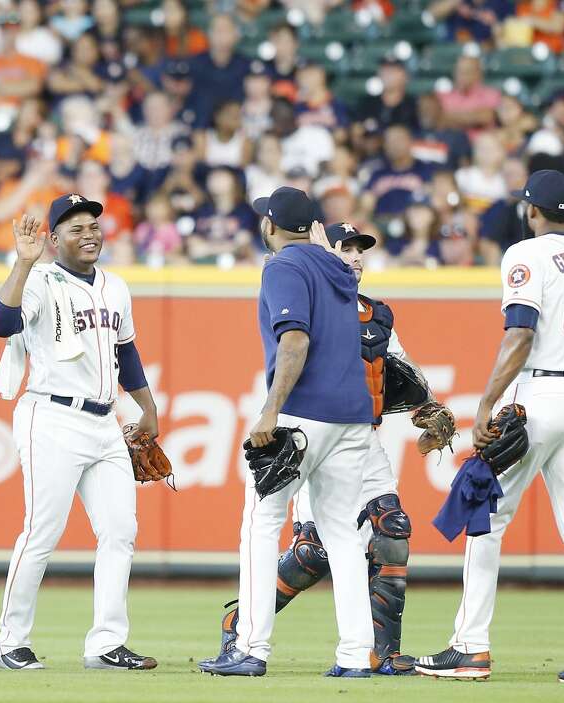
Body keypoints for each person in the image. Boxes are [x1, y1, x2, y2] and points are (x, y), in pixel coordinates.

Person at [213, 222, 446, 675]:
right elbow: (291, 342)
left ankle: (378, 652)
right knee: (314, 550)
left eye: (362, 249)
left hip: (359, 436)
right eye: (346, 248)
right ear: (324, 249)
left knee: (391, 531)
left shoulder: (377, 314)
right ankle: (243, 624)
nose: (356, 257)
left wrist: (429, 408)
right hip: (313, 426)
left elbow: (405, 372)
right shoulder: (316, 296)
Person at [416, 169, 564, 684]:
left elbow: (521, 333)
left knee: (486, 517)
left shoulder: (526, 254)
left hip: (541, 390)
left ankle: (470, 647)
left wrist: (487, 403)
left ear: (531, 210)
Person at [199, 188, 375, 677]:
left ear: (269, 225)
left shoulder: (283, 266)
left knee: (260, 522)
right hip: (352, 416)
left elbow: (294, 340)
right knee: (342, 533)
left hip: (303, 412)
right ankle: (357, 655)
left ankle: (250, 648)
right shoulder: (336, 267)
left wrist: (270, 411)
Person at [0, 194, 161, 671]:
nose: (89, 235)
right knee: (42, 532)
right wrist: (23, 265)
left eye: (93, 227)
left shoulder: (115, 286)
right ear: (53, 238)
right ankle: (10, 641)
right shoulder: (40, 280)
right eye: (75, 228)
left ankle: (106, 643)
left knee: (120, 532)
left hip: (105, 423)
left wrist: (147, 407)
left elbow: (128, 353)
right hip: (52, 416)